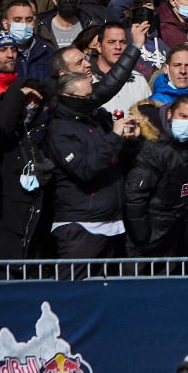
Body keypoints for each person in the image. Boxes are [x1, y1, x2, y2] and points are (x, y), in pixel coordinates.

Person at [44, 71, 143, 258]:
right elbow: (85, 169)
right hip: (81, 226)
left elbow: (112, 159)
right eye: (86, 97)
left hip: (113, 222)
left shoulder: (95, 120)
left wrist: (129, 140)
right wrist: (114, 136)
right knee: (79, 286)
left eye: (92, 96)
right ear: (68, 97)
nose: (91, 101)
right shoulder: (59, 130)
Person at [123, 96, 188, 257]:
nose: (187, 123)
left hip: (175, 235)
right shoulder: (152, 146)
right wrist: (143, 238)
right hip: (149, 238)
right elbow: (135, 196)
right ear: (169, 114)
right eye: (183, 116)